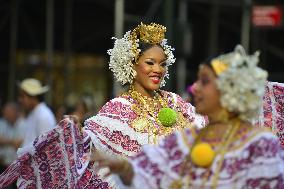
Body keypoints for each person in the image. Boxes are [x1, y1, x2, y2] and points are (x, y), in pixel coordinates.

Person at [0, 22, 205, 188]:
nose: (157, 70)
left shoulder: (174, 101)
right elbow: (89, 147)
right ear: (131, 64)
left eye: (162, 64)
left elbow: (206, 129)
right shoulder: (118, 108)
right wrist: (71, 135)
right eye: (150, 62)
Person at [93, 45, 284, 188]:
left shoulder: (259, 144)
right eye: (150, 62)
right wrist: (124, 168)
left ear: (228, 91)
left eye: (205, 81)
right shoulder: (183, 141)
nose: (194, 88)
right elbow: (149, 173)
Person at [17, 78, 56, 147]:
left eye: (23, 96)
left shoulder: (43, 115)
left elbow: (45, 147)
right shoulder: (34, 113)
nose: (20, 100)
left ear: (33, 97)